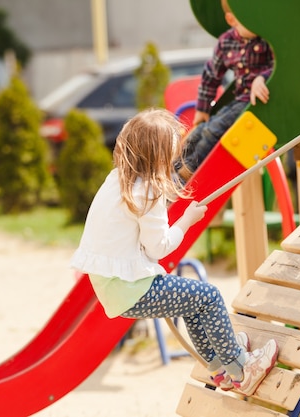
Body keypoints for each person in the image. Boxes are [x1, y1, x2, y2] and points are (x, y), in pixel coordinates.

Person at [70, 108, 278, 396]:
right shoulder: (148, 192)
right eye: (171, 152)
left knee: (194, 306)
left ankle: (220, 369)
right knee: (210, 297)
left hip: (112, 285)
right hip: (133, 288)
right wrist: (186, 220)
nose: (174, 159)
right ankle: (242, 368)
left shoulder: (118, 179)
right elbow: (160, 248)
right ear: (158, 155)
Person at [176, 0, 275, 182]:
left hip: (253, 104)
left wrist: (262, 78)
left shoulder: (267, 39)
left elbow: (279, 65)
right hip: (238, 100)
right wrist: (202, 109)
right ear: (232, 20)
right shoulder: (227, 42)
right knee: (200, 131)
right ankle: (174, 168)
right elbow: (211, 75)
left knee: (214, 129)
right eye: (248, 19)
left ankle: (190, 170)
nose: (256, 22)